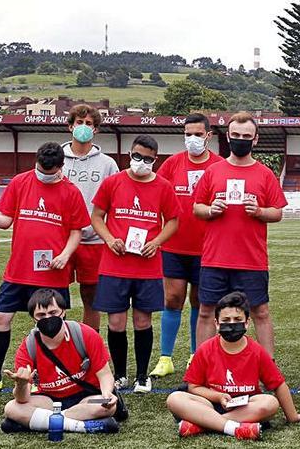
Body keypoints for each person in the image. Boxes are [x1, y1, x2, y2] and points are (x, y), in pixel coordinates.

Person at [0, 143, 89, 395]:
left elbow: (77, 231)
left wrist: (65, 255)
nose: (43, 173)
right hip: (18, 270)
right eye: (41, 168)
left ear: (60, 168)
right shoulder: (20, 182)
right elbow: (6, 221)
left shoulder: (71, 192)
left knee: (51, 325)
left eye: (49, 171)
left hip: (52, 272)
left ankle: (52, 377)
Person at [90, 135, 182, 394]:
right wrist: (109, 239)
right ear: (130, 154)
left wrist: (157, 242)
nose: (141, 162)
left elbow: (173, 220)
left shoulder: (163, 186)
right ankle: (120, 375)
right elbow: (97, 216)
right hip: (114, 265)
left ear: (155, 160)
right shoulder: (113, 182)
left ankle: (142, 376)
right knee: (116, 323)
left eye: (148, 159)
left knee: (143, 321)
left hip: (147, 266)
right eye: (137, 156)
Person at [192, 113, 287, 355]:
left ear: (255, 140)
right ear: (228, 136)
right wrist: (211, 209)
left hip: (251, 260)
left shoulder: (265, 174)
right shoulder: (213, 171)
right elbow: (197, 207)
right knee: (206, 311)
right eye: (236, 135)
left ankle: (269, 369)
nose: (240, 139)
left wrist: (259, 211)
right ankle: (202, 367)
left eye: (246, 136)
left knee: (260, 313)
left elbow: (277, 213)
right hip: (215, 258)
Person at [166, 291, 300, 440]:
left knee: (270, 403)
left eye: (237, 319)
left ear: (247, 322)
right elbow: (193, 387)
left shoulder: (257, 350)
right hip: (211, 404)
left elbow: (278, 384)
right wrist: (219, 396)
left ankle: (202, 424)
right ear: (217, 323)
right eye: (226, 320)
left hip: (245, 406)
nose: (232, 324)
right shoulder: (206, 348)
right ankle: (234, 428)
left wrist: (292, 416)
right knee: (175, 398)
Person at [151, 112, 224, 380]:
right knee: (172, 299)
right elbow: (155, 194)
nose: (192, 139)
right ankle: (165, 358)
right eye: (187, 134)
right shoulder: (172, 164)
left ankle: (196, 355)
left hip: (209, 248)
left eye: (197, 133)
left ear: (208, 135)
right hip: (174, 245)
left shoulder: (218, 165)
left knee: (200, 301)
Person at [2, 288, 123, 435]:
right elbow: (23, 398)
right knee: (11, 407)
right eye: (41, 315)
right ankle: (79, 426)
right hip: (49, 401)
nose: (47, 318)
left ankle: (39, 422)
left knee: (107, 405)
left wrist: (107, 394)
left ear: (63, 311)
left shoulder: (85, 334)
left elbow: (104, 374)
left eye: (53, 313)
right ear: (33, 318)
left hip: (85, 397)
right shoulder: (28, 346)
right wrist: (21, 384)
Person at [61, 104, 120, 333]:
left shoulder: (107, 164)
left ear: (95, 130)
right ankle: (58, 347)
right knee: (55, 297)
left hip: (94, 240)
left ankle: (90, 346)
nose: (83, 127)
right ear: (70, 126)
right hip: (61, 239)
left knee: (91, 299)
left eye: (88, 124)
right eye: (79, 122)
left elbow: (115, 202)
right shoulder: (57, 158)